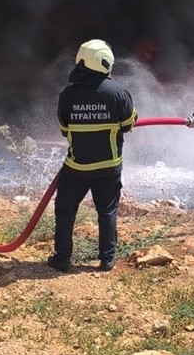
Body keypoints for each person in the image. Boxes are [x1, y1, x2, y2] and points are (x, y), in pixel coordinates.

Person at [48, 39, 137, 273]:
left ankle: (62, 258)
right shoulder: (119, 92)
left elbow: (64, 130)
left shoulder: (67, 95)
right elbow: (129, 124)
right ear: (106, 63)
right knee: (107, 211)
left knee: (65, 209)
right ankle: (107, 259)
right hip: (109, 166)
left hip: (77, 167)